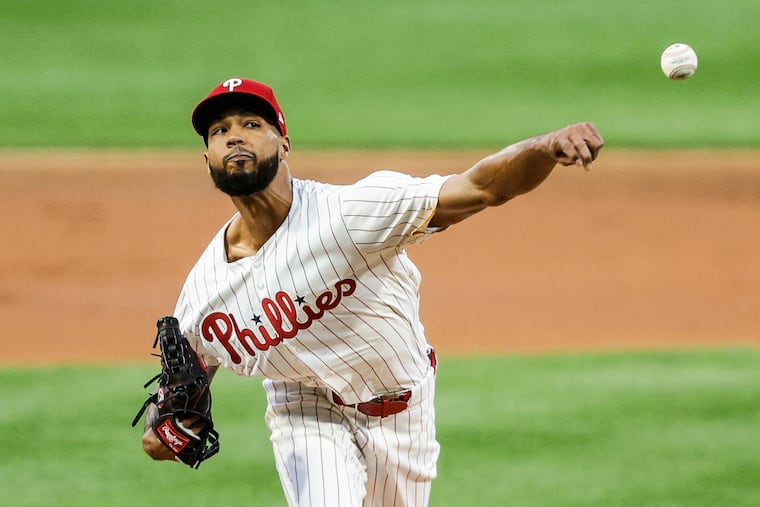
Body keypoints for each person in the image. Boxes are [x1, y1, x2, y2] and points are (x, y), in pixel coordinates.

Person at [140, 77, 604, 506]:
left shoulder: (351, 214)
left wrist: (545, 148)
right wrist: (165, 431)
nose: (234, 136)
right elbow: (176, 400)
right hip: (304, 408)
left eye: (251, 124)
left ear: (284, 144)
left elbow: (480, 187)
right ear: (208, 162)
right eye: (219, 131)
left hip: (403, 408)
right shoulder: (204, 295)